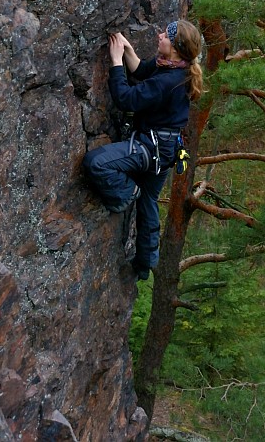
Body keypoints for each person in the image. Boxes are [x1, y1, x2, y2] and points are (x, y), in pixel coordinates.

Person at [82, 20, 203, 280]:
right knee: (149, 200)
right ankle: (145, 263)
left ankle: (128, 191)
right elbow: (139, 69)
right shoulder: (172, 67)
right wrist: (126, 50)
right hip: (166, 150)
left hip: (151, 148)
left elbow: (126, 98)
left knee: (96, 163)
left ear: (176, 48)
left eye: (166, 36)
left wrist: (115, 63)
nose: (160, 36)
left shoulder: (168, 80)